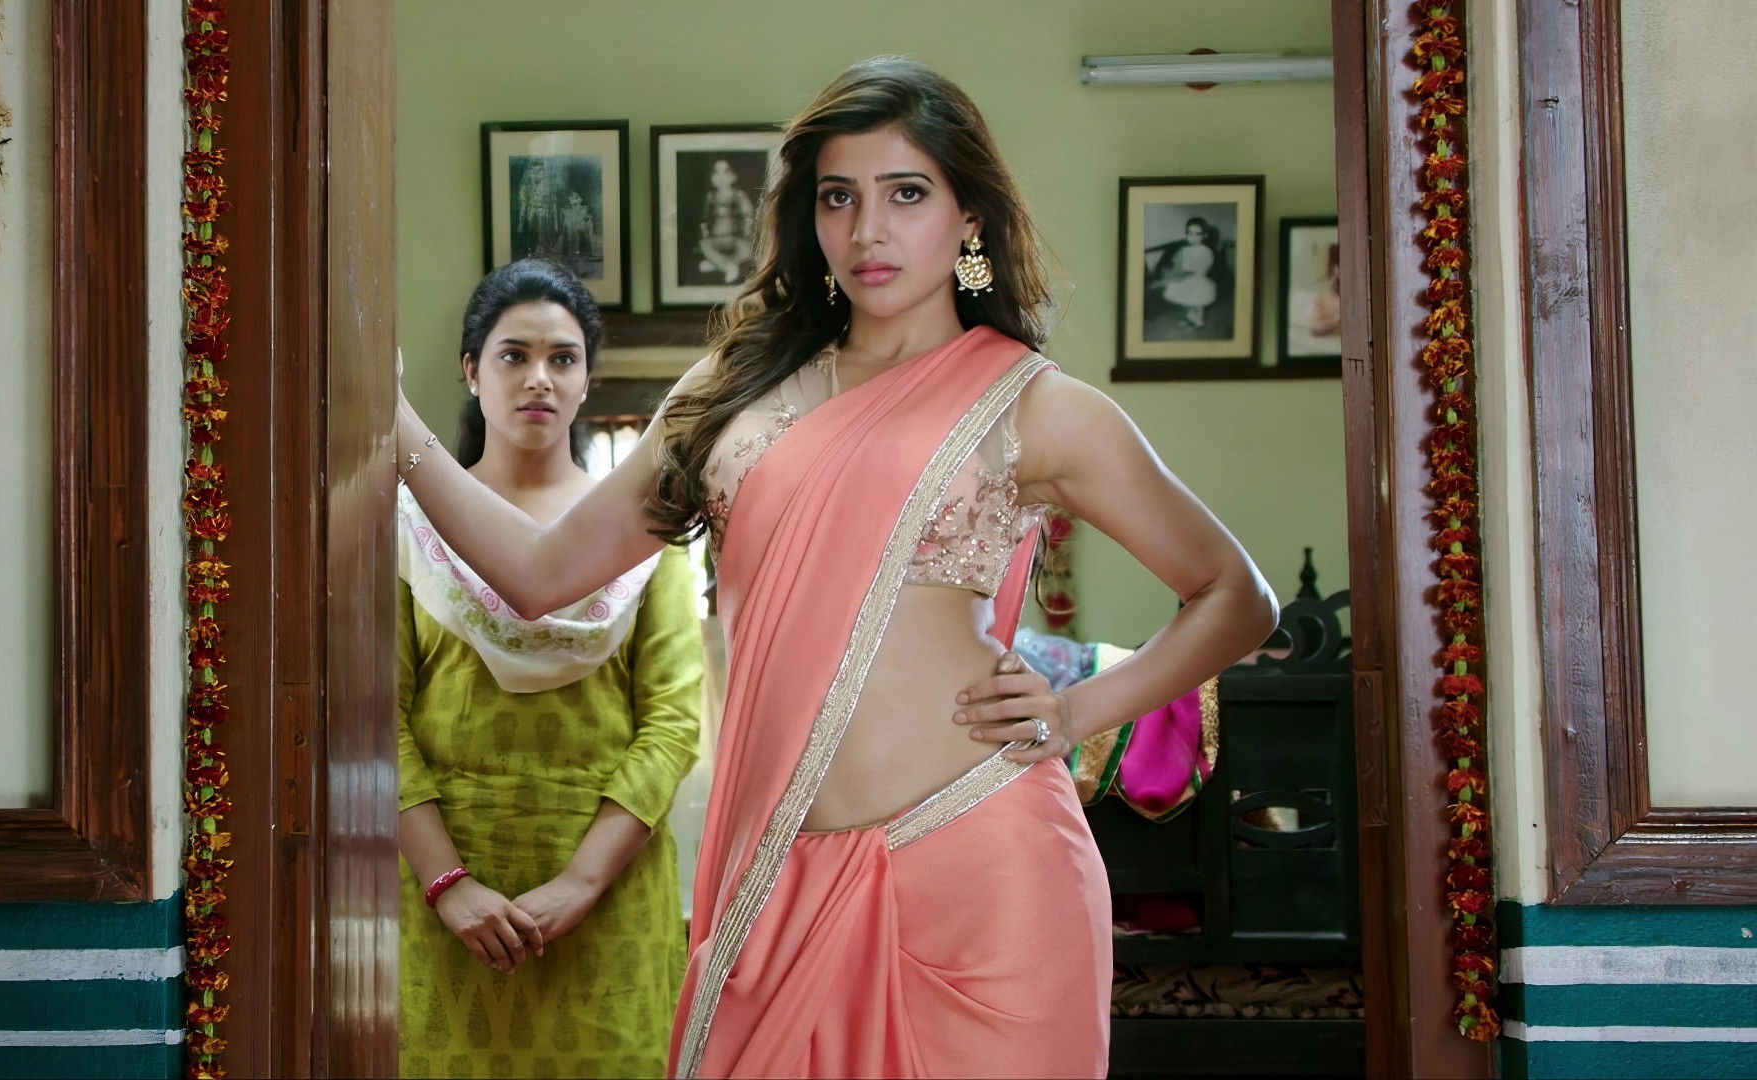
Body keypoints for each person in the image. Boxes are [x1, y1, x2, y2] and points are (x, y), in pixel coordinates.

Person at [394, 57, 1277, 1079]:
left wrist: (1079, 711)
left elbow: (1235, 597)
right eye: (838, 197)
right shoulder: (733, 394)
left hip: (984, 871)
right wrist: (391, 417)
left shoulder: (1037, 407)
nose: (868, 231)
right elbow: (541, 572)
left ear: (969, 216)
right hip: (779, 890)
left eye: (907, 194)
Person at [395, 259, 702, 1079]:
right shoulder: (408, 530)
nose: (540, 378)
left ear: (586, 380)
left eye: (563, 358)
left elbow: (673, 724)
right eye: (514, 355)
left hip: (609, 900)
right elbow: (374, 721)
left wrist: (581, 882)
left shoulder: (643, 537)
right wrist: (448, 883)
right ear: (471, 371)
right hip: (448, 899)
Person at [695, 157, 756, 285]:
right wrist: (705, 234)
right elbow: (704, 221)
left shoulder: (740, 195)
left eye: (726, 172)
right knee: (704, 245)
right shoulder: (711, 197)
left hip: (736, 239)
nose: (721, 177)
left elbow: (749, 218)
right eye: (717, 172)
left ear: (734, 176)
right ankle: (728, 267)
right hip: (716, 240)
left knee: (747, 250)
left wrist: (747, 235)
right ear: (711, 178)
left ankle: (719, 265)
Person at [1157, 216, 1220, 329]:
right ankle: (1191, 319)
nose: (1193, 237)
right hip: (1186, 279)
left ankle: (1199, 322)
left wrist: (1181, 274)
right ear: (1186, 234)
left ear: (1204, 235)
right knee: (1189, 301)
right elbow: (1178, 263)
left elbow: (1203, 266)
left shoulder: (1205, 251)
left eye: (1197, 234)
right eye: (1190, 233)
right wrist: (1172, 272)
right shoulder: (1185, 250)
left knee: (1198, 303)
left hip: (1198, 280)